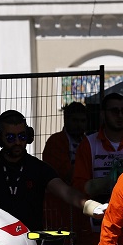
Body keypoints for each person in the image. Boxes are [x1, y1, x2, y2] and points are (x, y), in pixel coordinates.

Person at [0, 109, 105, 231]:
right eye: (10, 137)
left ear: (28, 136)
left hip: (31, 241)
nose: (17, 142)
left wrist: (92, 207)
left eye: (22, 136)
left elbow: (67, 192)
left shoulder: (39, 168)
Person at [71, 93, 123, 245]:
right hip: (99, 225)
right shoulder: (89, 144)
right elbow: (78, 185)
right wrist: (103, 184)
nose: (120, 115)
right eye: (114, 111)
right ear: (103, 114)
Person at [41, 101, 88, 236]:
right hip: (58, 204)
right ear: (66, 120)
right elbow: (64, 173)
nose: (79, 125)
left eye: (82, 121)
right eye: (75, 120)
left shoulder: (87, 141)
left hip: (80, 201)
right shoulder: (55, 142)